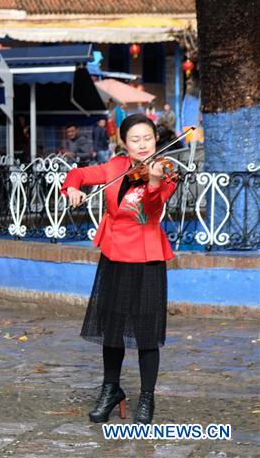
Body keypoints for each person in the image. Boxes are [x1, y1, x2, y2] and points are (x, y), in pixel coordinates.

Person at [63, 114, 177, 426]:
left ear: (156, 139)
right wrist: (72, 189)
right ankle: (111, 389)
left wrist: (153, 182)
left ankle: (147, 399)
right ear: (124, 144)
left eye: (148, 138)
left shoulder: (167, 173)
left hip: (147, 257)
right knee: (111, 329)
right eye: (135, 140)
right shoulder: (114, 168)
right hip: (115, 255)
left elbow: (152, 209)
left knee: (147, 333)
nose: (143, 145)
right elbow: (77, 174)